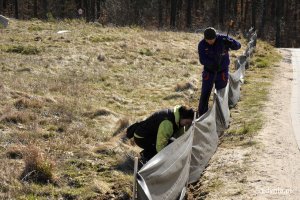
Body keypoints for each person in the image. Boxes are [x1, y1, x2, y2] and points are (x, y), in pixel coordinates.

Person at [126, 105, 194, 163]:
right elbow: (160, 145)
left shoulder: (177, 117)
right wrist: (165, 160)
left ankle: (148, 152)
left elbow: (180, 137)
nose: (186, 125)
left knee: (172, 144)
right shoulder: (167, 123)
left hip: (150, 135)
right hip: (141, 137)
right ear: (182, 117)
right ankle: (146, 158)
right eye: (187, 122)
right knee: (164, 148)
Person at [197, 27, 241, 116]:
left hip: (222, 73)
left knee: (221, 94)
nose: (210, 42)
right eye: (207, 40)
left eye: (212, 40)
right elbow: (202, 60)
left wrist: (231, 43)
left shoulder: (223, 39)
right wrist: (211, 64)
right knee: (205, 94)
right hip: (209, 73)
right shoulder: (202, 44)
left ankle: (221, 114)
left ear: (215, 37)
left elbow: (238, 46)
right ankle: (201, 115)